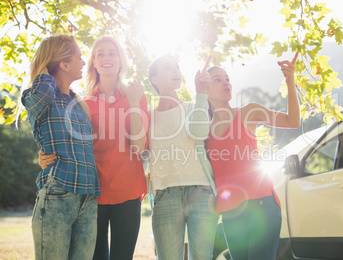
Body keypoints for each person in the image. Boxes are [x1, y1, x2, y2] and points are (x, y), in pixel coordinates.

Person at [38, 36, 149, 260]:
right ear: (94, 63)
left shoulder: (136, 97)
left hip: (128, 190)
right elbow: (67, 141)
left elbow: (139, 146)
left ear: (120, 61)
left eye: (112, 53)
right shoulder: (80, 101)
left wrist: (135, 104)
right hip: (91, 192)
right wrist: (44, 155)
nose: (106, 57)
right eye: (100, 54)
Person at [205, 53, 300, 260]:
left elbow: (292, 121)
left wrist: (290, 82)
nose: (226, 83)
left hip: (262, 204)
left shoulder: (248, 112)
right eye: (218, 80)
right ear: (205, 88)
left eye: (227, 79)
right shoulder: (204, 132)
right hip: (231, 213)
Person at [17, 34, 100, 260]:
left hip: (88, 199)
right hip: (57, 197)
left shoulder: (78, 102)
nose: (84, 62)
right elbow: (40, 98)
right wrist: (44, 72)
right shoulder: (38, 96)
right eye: (79, 58)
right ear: (63, 64)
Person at [145, 55, 219, 259]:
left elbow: (200, 133)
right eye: (168, 68)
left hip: (201, 193)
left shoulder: (194, 106)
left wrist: (201, 94)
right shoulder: (148, 116)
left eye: (177, 67)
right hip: (165, 195)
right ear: (154, 79)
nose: (176, 71)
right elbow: (140, 155)